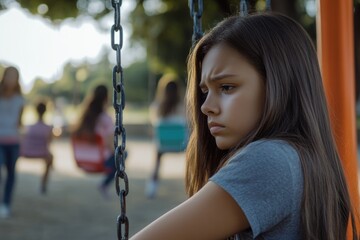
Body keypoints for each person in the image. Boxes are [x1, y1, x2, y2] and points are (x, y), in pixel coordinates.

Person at [130, 13, 358, 240]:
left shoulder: (270, 160)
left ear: (280, 85)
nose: (205, 107)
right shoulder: (304, 159)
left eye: (227, 87)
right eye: (205, 92)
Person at [73, 84, 122, 199]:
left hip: (83, 159)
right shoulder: (106, 119)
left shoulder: (84, 117)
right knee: (122, 154)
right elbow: (110, 145)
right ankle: (104, 185)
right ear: (106, 98)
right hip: (100, 161)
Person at [146, 74, 186, 198]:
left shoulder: (157, 106)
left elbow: (154, 125)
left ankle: (152, 188)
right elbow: (189, 123)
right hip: (181, 144)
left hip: (163, 145)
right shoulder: (184, 105)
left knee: (157, 158)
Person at [0, 66, 24, 218]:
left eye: (14, 76)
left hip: (13, 141)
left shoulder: (20, 99)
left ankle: (6, 204)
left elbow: (19, 122)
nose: (11, 79)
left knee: (11, 174)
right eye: (9, 75)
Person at [20, 101, 53, 194]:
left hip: (25, 152)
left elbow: (22, 139)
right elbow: (49, 143)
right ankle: (43, 185)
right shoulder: (48, 127)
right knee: (51, 158)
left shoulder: (28, 126)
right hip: (41, 152)